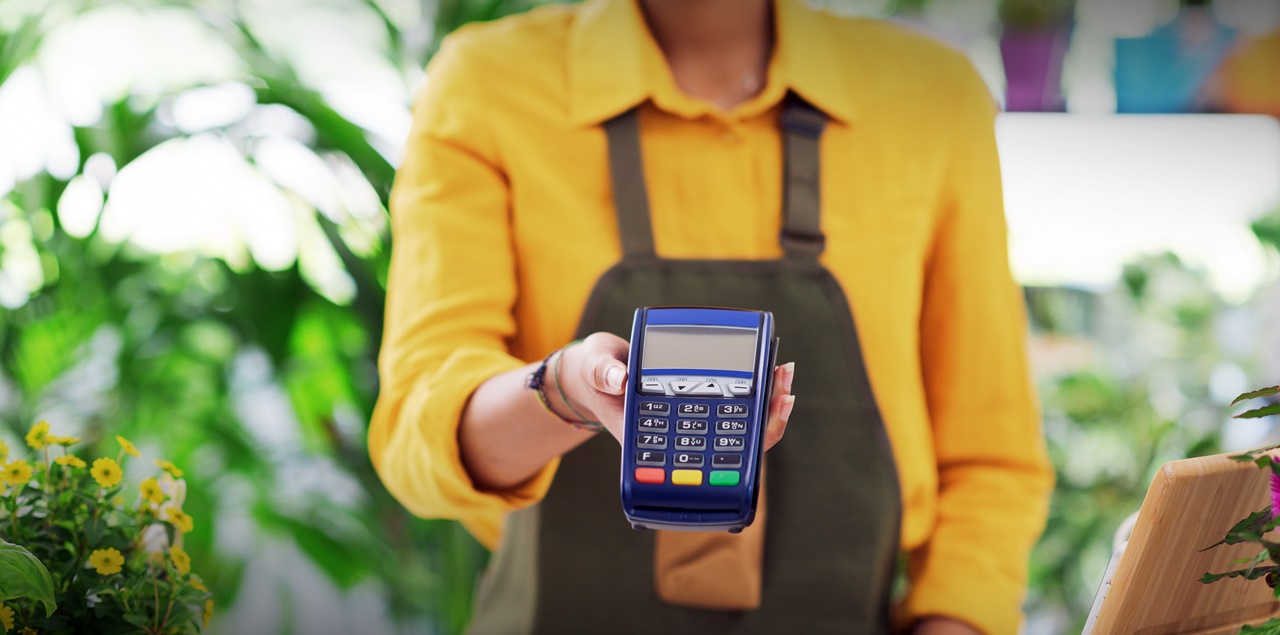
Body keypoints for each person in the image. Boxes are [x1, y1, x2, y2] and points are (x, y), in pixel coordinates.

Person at [368, 0, 1054, 633]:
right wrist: (566, 389)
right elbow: (419, 428)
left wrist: (954, 620)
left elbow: (988, 463)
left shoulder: (931, 97)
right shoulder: (488, 85)